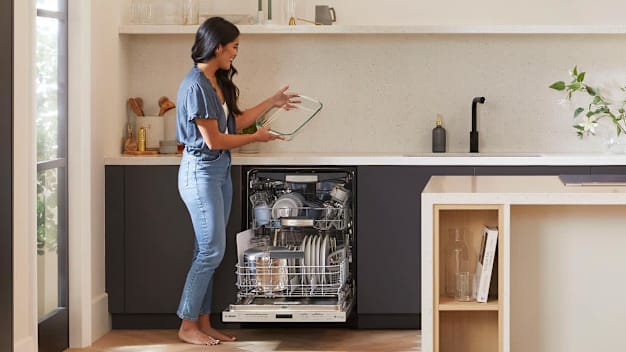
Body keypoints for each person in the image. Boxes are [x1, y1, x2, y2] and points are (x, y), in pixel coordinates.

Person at [175, 17, 298, 346]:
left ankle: (202, 322)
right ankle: (187, 325)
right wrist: (256, 137)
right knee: (212, 251)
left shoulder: (215, 81)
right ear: (218, 46)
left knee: (208, 250)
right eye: (234, 48)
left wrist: (271, 103)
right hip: (200, 172)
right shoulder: (196, 85)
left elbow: (235, 122)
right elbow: (215, 140)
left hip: (218, 172)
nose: (235, 54)